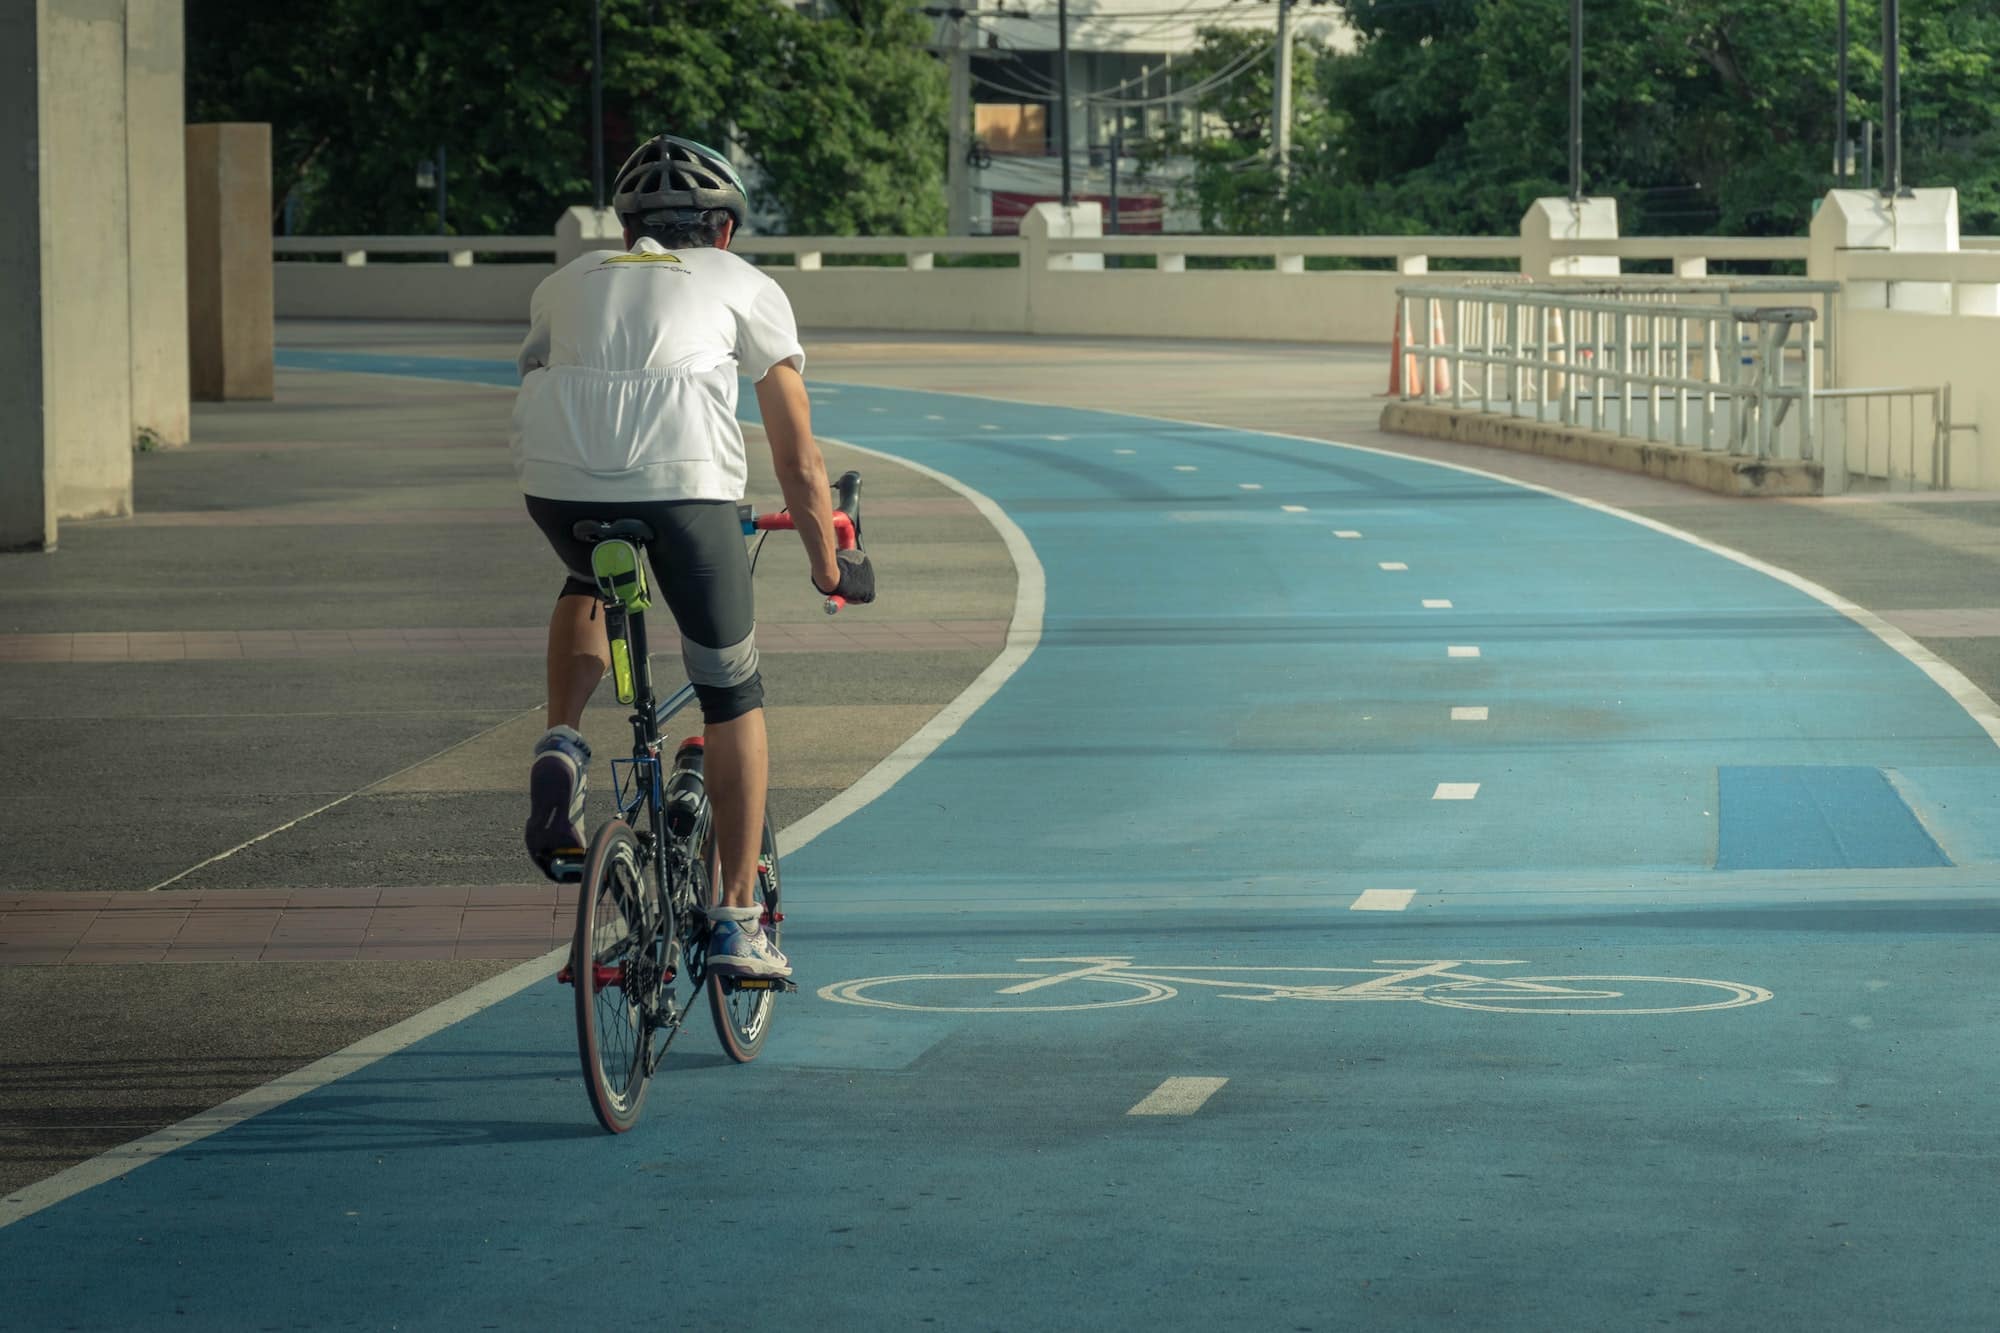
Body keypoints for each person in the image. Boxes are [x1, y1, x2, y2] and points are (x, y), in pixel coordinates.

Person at [509, 134, 874, 978]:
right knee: (730, 692)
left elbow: (543, 378)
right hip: (687, 491)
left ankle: (562, 744)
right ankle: (737, 919)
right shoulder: (745, 284)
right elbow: (799, 457)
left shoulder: (565, 281)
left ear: (628, 223)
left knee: (587, 572)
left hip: (559, 492)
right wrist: (830, 566)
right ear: (722, 231)